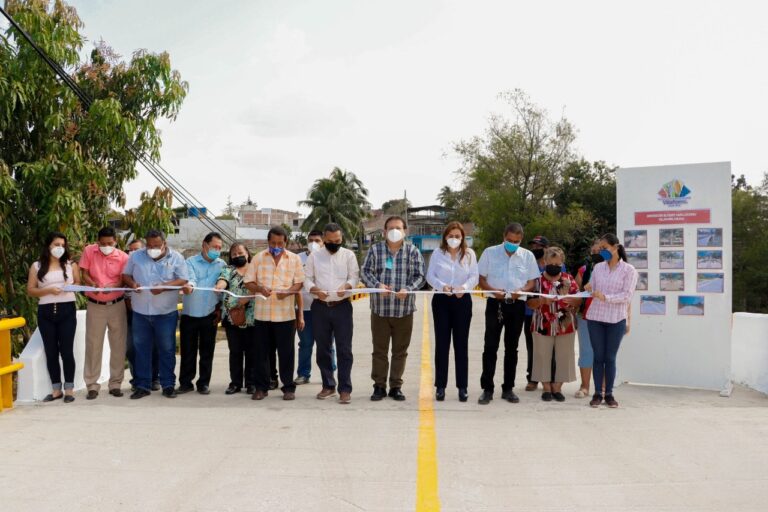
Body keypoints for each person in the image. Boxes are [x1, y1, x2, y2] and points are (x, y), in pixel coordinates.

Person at [361, 215, 426, 401]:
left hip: (404, 310)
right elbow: (365, 271)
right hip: (380, 310)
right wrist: (377, 285)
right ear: (384, 232)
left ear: (405, 231)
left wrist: (409, 289)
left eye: (398, 227)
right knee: (379, 351)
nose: (394, 231)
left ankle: (396, 386)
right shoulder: (375, 250)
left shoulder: (413, 251)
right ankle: (379, 386)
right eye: (390, 228)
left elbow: (420, 276)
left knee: (400, 351)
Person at [477, 222, 540, 405]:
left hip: (516, 305)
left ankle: (508, 388)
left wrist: (521, 290)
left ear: (521, 240)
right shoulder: (490, 252)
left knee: (512, 348)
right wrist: (493, 290)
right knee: (490, 347)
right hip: (495, 303)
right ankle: (487, 389)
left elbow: (532, 282)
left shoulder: (527, 256)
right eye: (509, 240)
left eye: (516, 241)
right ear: (503, 237)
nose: (512, 243)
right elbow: (480, 279)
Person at [122, 230, 189, 399]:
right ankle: (143, 385)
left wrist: (165, 286)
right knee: (141, 350)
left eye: (156, 246)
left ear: (164, 244)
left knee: (166, 349)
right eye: (149, 246)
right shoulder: (136, 256)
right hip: (140, 312)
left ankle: (168, 385)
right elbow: (125, 275)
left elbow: (183, 279)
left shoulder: (177, 258)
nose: (152, 249)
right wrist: (132, 283)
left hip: (165, 313)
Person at [244, 226, 305, 401]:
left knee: (286, 353)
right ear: (268, 242)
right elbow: (248, 282)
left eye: (280, 243)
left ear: (286, 242)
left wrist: (288, 292)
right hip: (262, 315)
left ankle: (288, 387)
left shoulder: (294, 259)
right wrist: (259, 288)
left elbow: (299, 283)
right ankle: (261, 388)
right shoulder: (258, 258)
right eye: (273, 243)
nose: (276, 246)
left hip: (285, 316)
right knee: (261, 353)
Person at [304, 223, 360, 404]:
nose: (334, 244)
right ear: (325, 239)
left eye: (338, 241)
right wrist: (314, 289)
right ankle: (328, 385)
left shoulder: (349, 255)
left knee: (345, 350)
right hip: (320, 307)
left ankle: (345, 389)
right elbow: (306, 278)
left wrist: (348, 286)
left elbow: (354, 276)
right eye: (330, 241)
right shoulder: (314, 256)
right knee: (323, 349)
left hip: (342, 307)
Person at [426, 221, 478, 402]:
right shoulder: (437, 254)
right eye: (450, 236)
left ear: (462, 237)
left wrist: (463, 288)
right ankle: (440, 386)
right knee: (442, 344)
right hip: (441, 300)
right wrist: (442, 286)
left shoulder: (470, 254)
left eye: (457, 236)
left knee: (461, 345)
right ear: (445, 237)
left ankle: (462, 387)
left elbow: (474, 276)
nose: (454, 239)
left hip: (462, 301)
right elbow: (430, 276)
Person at [585, 233, 638, 408]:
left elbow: (626, 296)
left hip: (616, 319)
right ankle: (597, 394)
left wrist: (605, 297)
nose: (602, 252)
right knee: (598, 356)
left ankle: (609, 394)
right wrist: (589, 288)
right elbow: (592, 288)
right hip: (595, 317)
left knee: (610, 357)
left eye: (605, 248)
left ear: (615, 247)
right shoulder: (598, 267)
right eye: (600, 249)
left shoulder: (629, 270)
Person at [26, 232, 80, 403]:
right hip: (46, 312)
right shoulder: (37, 266)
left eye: (63, 245)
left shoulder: (71, 265)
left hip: (67, 310)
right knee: (51, 352)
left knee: (66, 351)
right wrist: (48, 290)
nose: (60, 248)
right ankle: (56, 389)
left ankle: (69, 389)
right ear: (48, 245)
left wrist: (69, 286)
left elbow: (79, 284)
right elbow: (31, 290)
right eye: (56, 244)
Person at [80, 226, 129, 399]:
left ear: (115, 241)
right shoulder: (89, 251)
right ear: (97, 242)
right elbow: (84, 272)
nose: (106, 246)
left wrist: (114, 286)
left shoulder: (123, 256)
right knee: (93, 345)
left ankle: (115, 383)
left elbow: (124, 279)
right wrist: (92, 283)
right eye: (103, 243)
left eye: (110, 243)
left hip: (117, 304)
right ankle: (92, 385)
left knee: (118, 345)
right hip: (95, 305)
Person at [526, 247, 578, 402]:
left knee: (565, 356)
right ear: (545, 262)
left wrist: (572, 301)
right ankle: (547, 388)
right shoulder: (536, 281)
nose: (554, 265)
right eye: (551, 262)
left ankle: (557, 387)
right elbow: (529, 303)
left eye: (558, 263)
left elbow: (579, 299)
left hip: (565, 324)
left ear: (562, 263)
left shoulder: (569, 279)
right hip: (542, 324)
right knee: (542, 356)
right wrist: (542, 301)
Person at [179, 232, 226, 395]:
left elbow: (224, 288)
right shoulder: (190, 262)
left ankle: (203, 383)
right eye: (214, 247)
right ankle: (185, 383)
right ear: (204, 246)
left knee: (207, 351)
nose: (217, 250)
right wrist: (189, 286)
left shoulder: (222, 265)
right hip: (189, 315)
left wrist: (220, 308)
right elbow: (190, 279)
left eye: (220, 248)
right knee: (187, 351)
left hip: (210, 314)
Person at [295, 230, 337, 384]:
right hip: (304, 309)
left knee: (326, 344)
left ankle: (330, 372)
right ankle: (303, 373)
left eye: (317, 240)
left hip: (325, 308)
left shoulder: (329, 257)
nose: (314, 243)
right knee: (305, 344)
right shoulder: (298, 258)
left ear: (324, 241)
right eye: (311, 239)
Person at [216, 243, 256, 395]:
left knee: (252, 352)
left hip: (253, 318)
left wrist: (248, 298)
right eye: (234, 254)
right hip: (232, 318)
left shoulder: (255, 268)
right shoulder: (228, 270)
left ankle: (251, 383)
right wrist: (219, 286)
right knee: (235, 352)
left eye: (240, 252)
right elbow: (223, 280)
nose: (237, 255)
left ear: (247, 253)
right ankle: (235, 383)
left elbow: (261, 286)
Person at [125, 239, 160, 391]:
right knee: (132, 348)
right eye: (130, 250)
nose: (133, 253)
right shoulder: (126, 266)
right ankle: (137, 377)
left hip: (149, 310)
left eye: (136, 249)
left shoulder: (147, 265)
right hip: (129, 313)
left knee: (154, 346)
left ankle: (154, 378)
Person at [573, 240, 602, 398]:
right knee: (586, 351)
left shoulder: (615, 270)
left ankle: (603, 387)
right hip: (585, 316)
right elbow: (576, 293)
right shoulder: (584, 270)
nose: (596, 254)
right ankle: (584, 386)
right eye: (593, 251)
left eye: (600, 250)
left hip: (606, 317)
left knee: (603, 353)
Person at [523, 234, 550, 392]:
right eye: (533, 247)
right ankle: (532, 379)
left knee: (549, 347)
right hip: (529, 312)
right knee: (532, 347)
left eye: (538, 247)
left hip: (550, 314)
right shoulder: (527, 265)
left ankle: (549, 378)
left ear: (546, 248)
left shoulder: (556, 264)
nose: (535, 249)